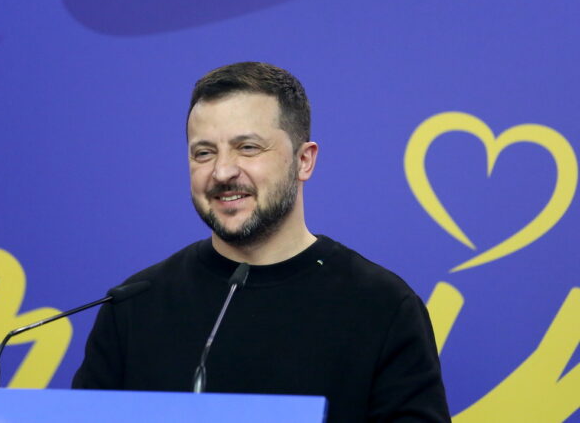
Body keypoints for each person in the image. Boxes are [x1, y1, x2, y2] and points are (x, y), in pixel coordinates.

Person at [73, 62, 451, 422]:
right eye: (204, 153)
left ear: (304, 161)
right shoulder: (133, 307)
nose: (222, 172)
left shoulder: (383, 307)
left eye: (248, 148)